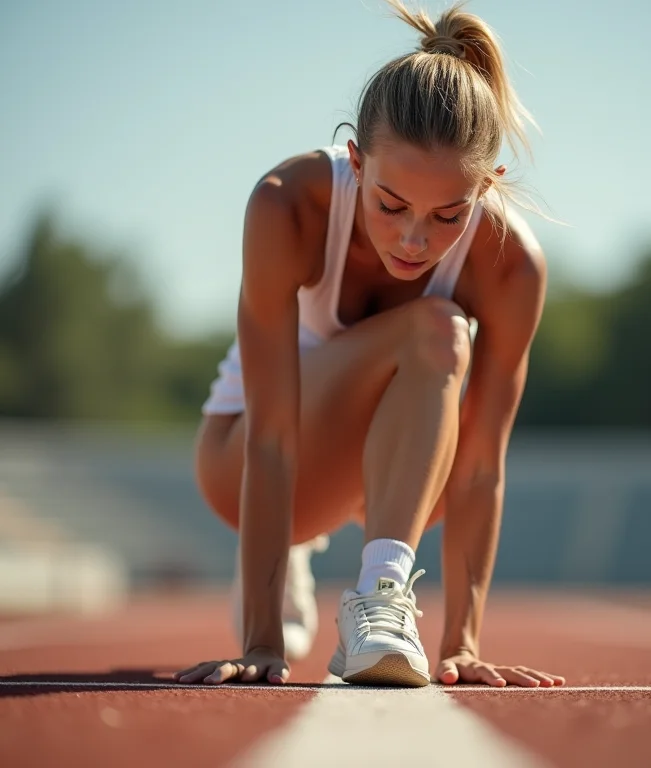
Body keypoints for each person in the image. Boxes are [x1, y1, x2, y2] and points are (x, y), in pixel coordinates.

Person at [175, 0, 565, 689]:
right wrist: (261, 640)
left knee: (442, 340)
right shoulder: (287, 204)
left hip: (400, 478)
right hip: (247, 459)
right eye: (390, 205)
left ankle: (382, 595)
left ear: (487, 186)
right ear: (355, 160)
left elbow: (480, 466)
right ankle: (284, 559)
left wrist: (462, 644)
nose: (414, 239)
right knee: (437, 327)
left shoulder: (511, 265)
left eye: (449, 215)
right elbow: (272, 438)